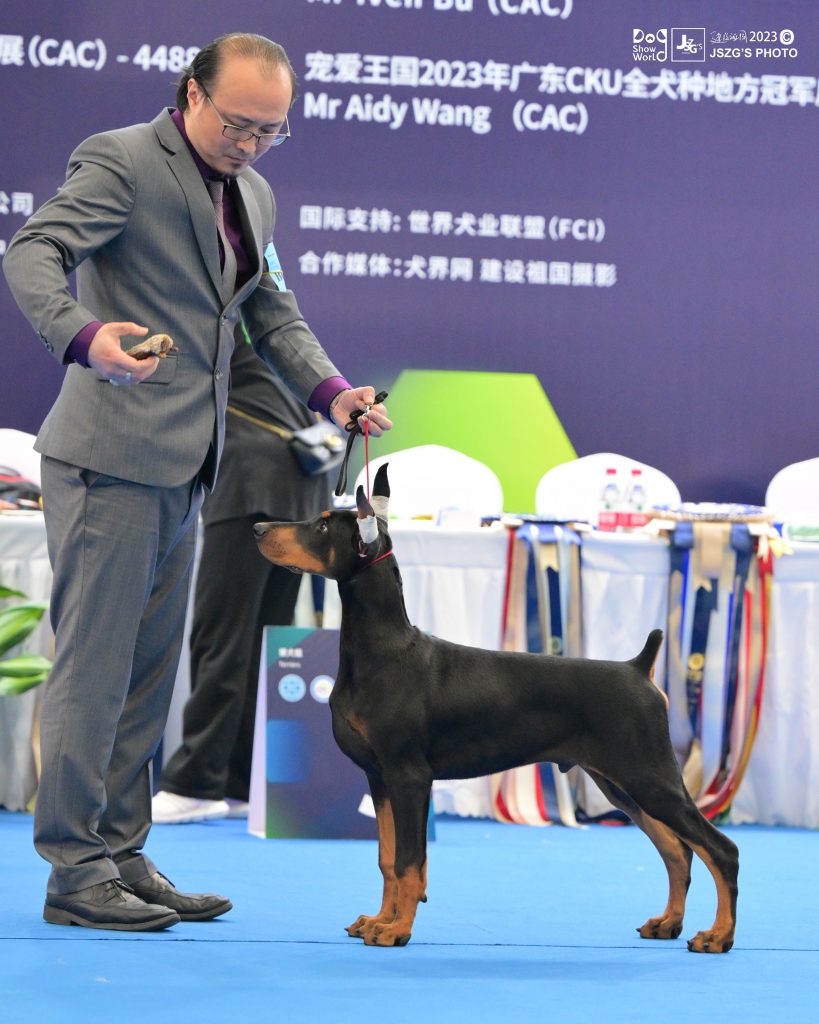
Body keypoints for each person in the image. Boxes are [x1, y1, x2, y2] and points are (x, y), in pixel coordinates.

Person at [3, 32, 390, 932]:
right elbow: (32, 252)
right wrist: (84, 337)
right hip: (108, 454)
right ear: (190, 94)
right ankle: (74, 872)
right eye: (238, 124)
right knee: (96, 671)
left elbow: (271, 313)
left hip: (189, 463)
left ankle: (122, 853)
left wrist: (331, 393)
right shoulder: (122, 160)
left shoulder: (253, 194)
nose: (250, 144)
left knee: (147, 675)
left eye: (270, 131)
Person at [152, 339, 334, 824]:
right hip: (297, 490)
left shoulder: (205, 319)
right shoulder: (265, 328)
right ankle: (237, 784)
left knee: (222, 637)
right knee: (255, 642)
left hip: (250, 479)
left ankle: (195, 783)